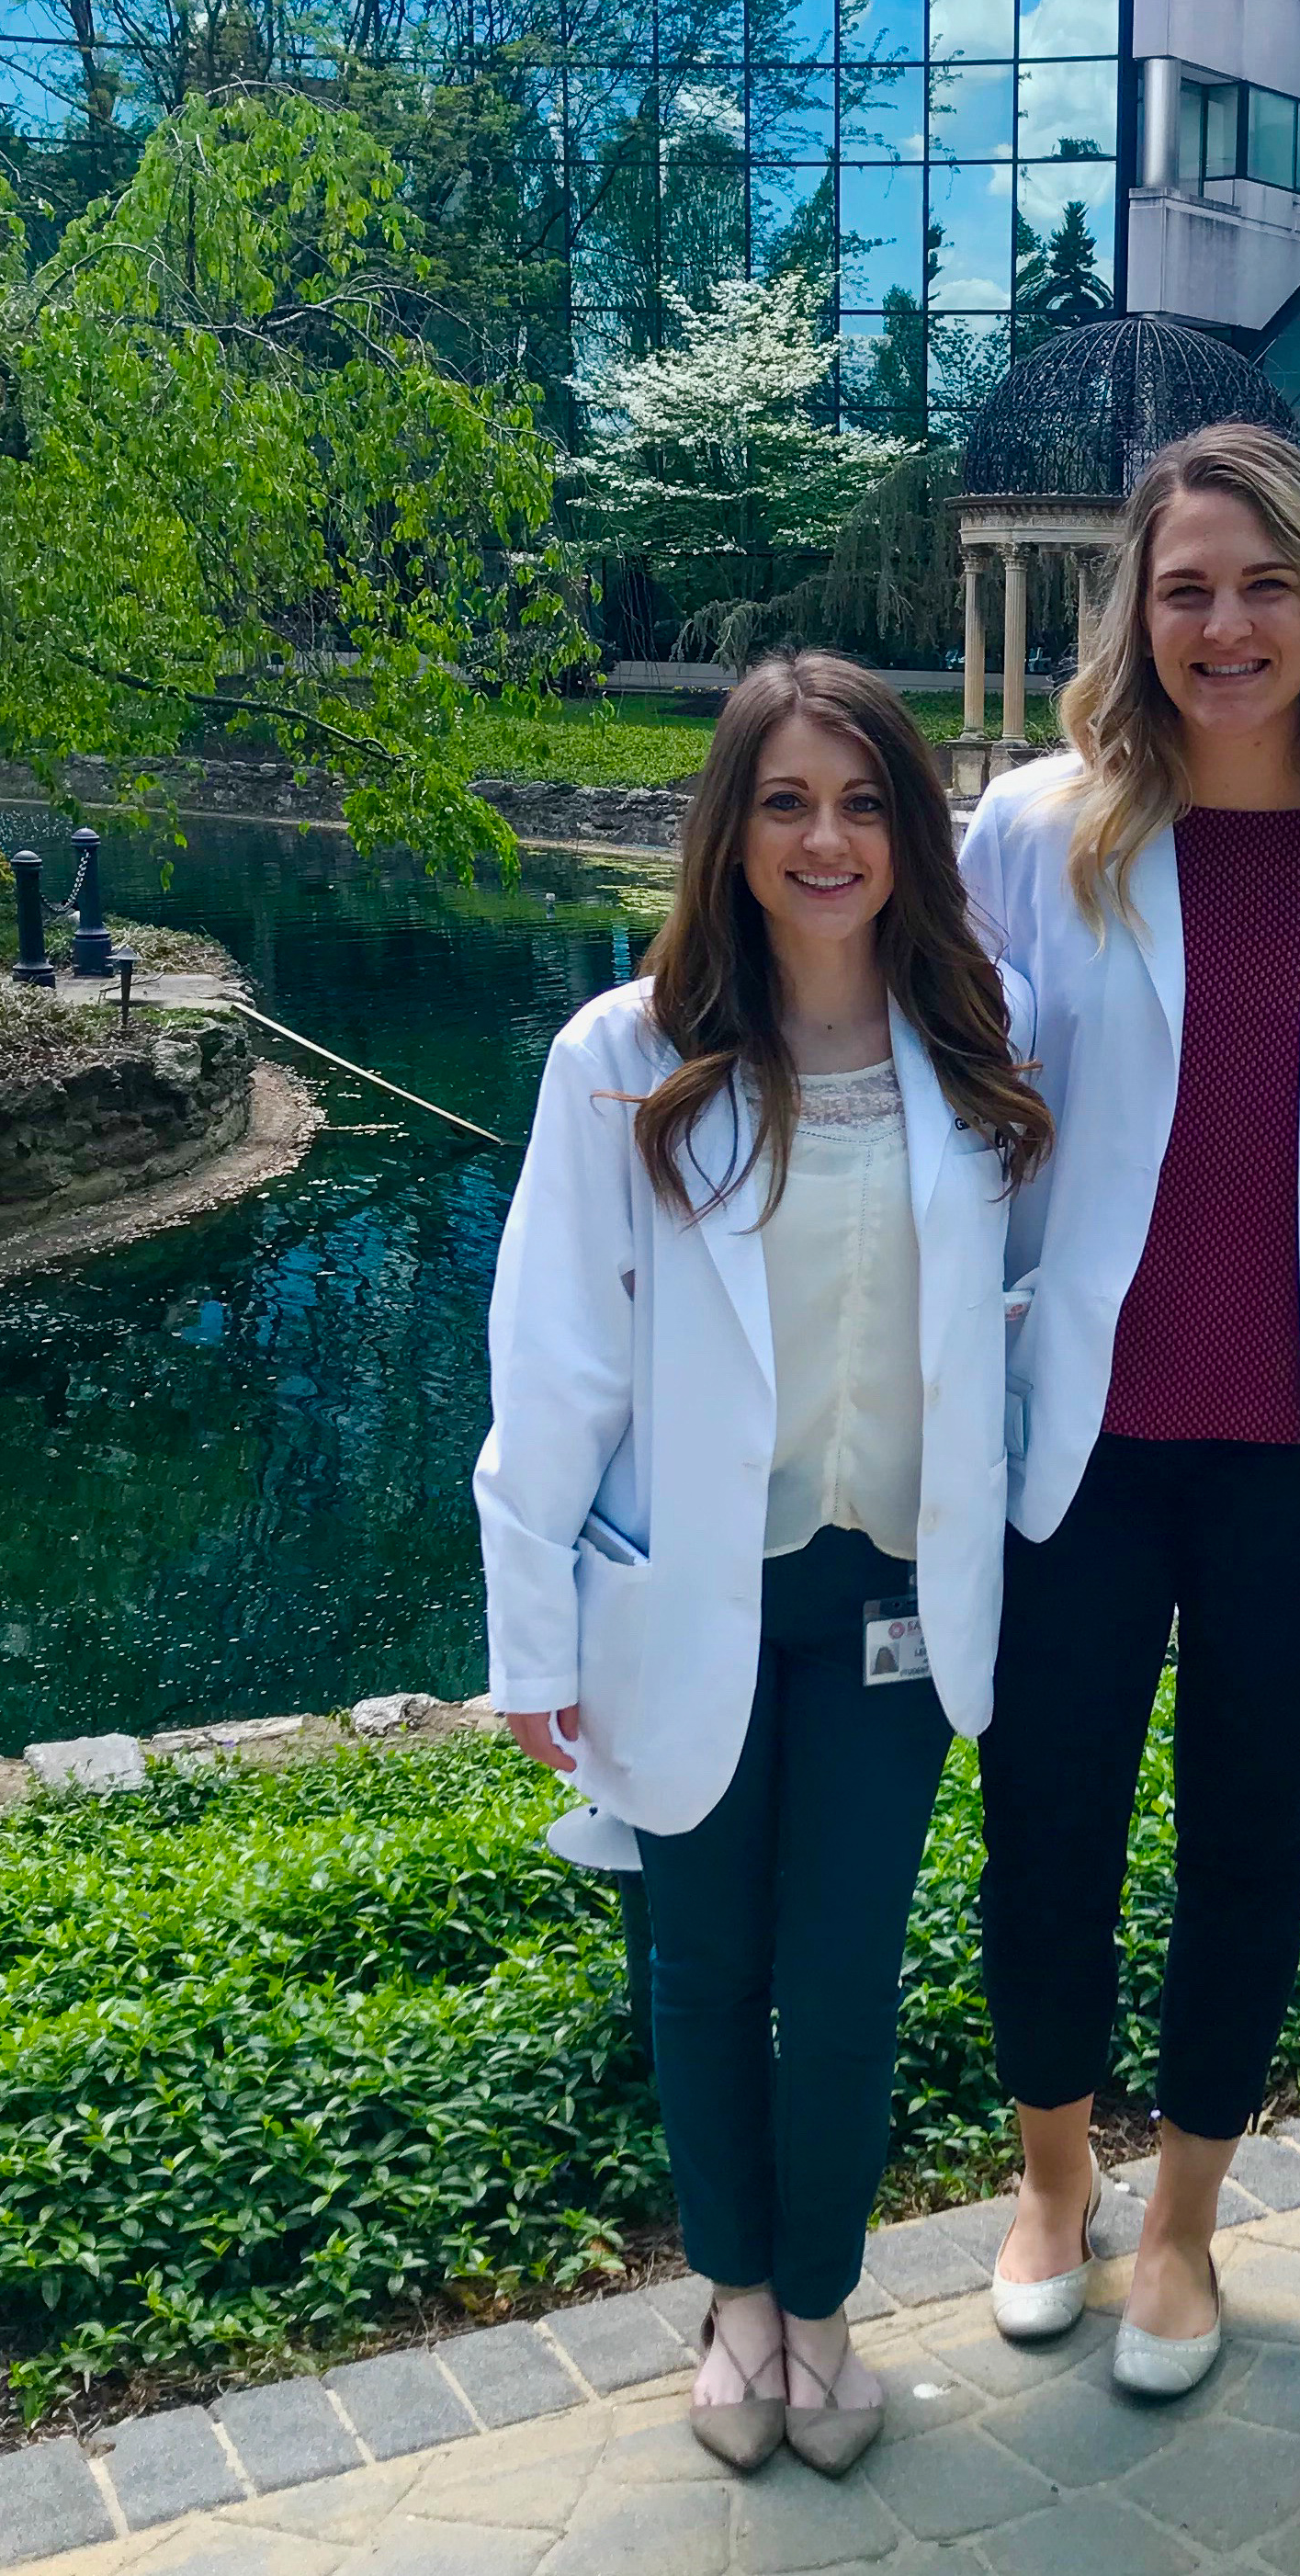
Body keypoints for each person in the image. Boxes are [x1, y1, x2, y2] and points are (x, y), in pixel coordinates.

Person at [474, 652, 1052, 2477]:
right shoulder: (626, 1053)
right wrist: (531, 1639)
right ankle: (732, 2296)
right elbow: (554, 1362)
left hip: (890, 1586)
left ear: (913, 830)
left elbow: (1019, 1310)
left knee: (851, 1967)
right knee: (706, 1960)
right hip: (689, 1589)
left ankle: (820, 2301)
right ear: (732, 827)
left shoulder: (982, 1021)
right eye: (790, 801)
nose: (828, 839)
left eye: (866, 801)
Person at [961, 423, 1300, 2398]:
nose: (1225, 624)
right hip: (1075, 1427)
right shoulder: (1036, 823)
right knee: (1048, 1820)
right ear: (1136, 610)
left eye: (1264, 585)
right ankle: (1052, 2189)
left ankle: (1184, 2227)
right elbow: (951, 1105)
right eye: (1186, 588)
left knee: (1247, 1833)